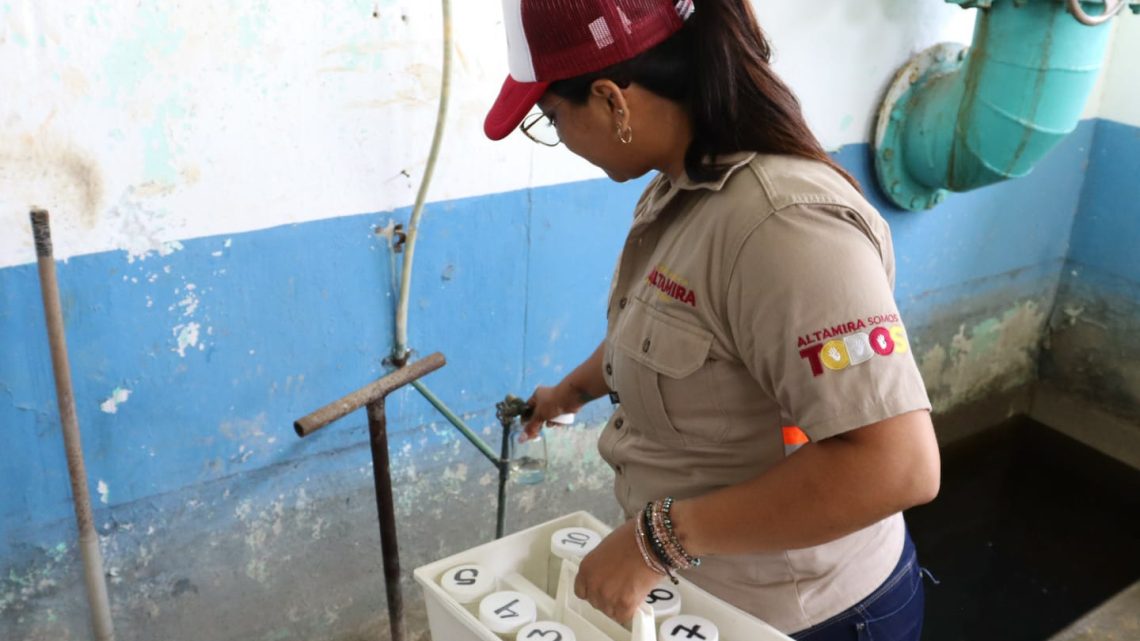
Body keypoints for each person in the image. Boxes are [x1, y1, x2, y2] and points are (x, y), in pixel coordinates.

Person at [483, 1, 941, 639]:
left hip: (810, 616)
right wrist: (573, 391)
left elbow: (896, 466)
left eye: (552, 119)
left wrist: (656, 541)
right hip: (709, 598)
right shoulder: (683, 186)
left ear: (612, 100)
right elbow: (668, 331)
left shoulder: (783, 224)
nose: (558, 138)